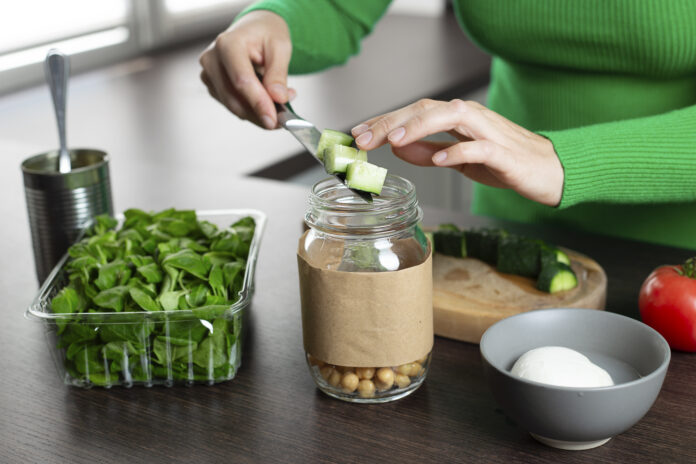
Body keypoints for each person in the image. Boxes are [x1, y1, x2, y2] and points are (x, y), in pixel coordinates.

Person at [199, 0, 696, 249]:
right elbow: (336, 6)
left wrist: (564, 160)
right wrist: (272, 19)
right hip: (508, 219)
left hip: (673, 251)